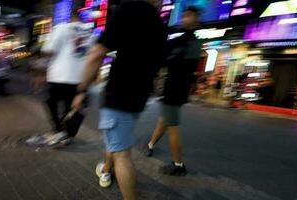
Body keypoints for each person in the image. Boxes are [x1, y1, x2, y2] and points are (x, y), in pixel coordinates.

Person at [71, 0, 166, 199]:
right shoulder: (159, 23)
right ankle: (105, 169)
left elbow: (96, 53)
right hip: (139, 97)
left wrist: (81, 90)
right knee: (117, 141)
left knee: (122, 155)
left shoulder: (129, 9)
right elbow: (158, 67)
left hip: (119, 93)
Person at [146, 6, 202, 176]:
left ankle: (178, 165)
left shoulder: (191, 42)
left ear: (196, 20)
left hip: (175, 90)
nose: (184, 19)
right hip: (172, 89)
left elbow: (185, 68)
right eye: (183, 16)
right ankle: (150, 144)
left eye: (188, 16)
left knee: (172, 127)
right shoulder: (183, 39)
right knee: (164, 121)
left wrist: (167, 60)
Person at [41, 10, 97, 146]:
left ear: (70, 17)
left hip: (60, 75)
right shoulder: (90, 33)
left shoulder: (61, 28)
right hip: (79, 78)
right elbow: (92, 56)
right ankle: (66, 134)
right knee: (70, 107)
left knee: (51, 102)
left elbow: (48, 50)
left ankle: (59, 130)